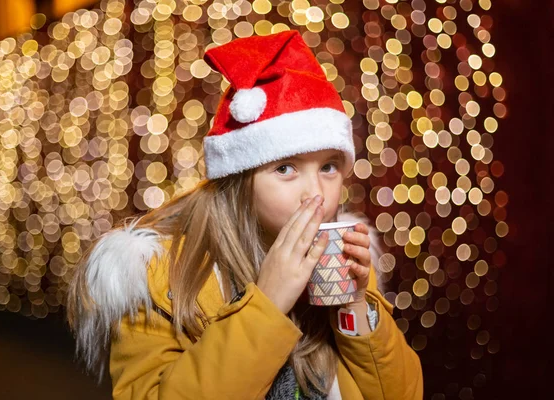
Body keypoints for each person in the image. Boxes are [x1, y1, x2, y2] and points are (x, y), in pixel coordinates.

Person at [66, 30, 423, 400]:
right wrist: (266, 305)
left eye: (329, 167)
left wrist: (354, 306)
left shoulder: (344, 258)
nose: (315, 193)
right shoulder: (158, 278)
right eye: (285, 168)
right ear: (239, 180)